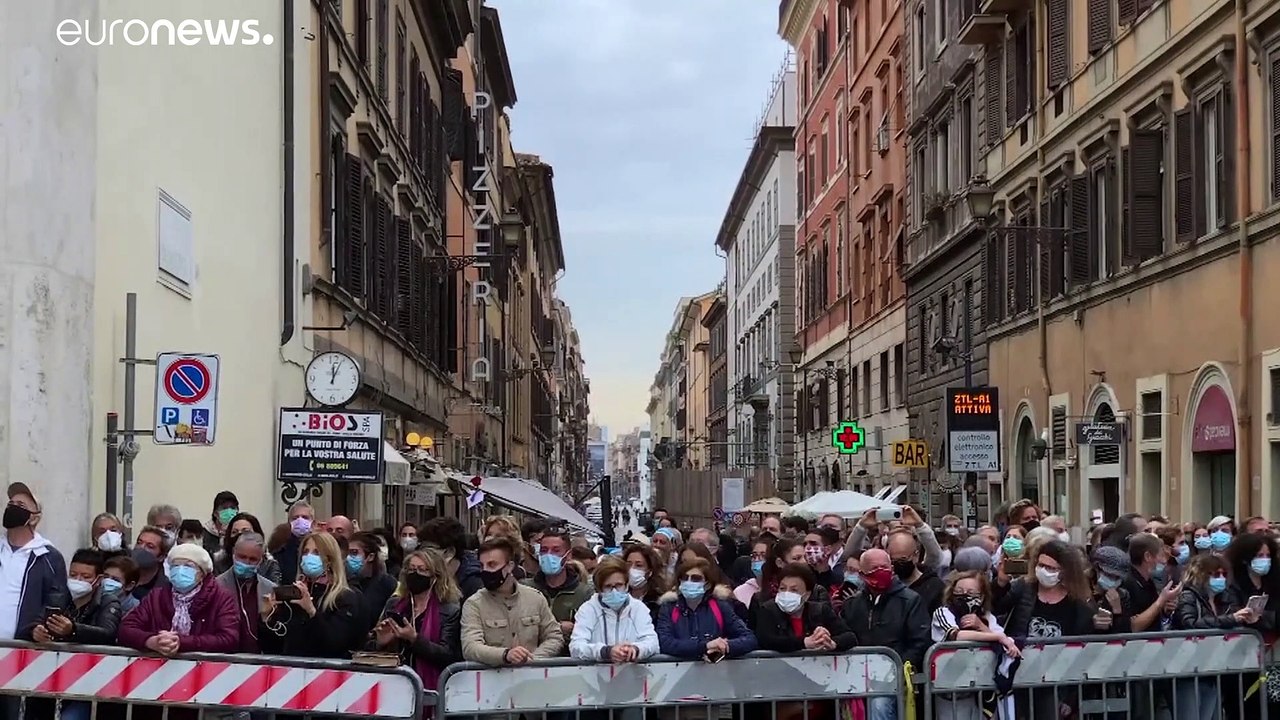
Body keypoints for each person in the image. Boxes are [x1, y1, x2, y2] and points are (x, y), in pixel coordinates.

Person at [839, 548, 930, 720]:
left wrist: (894, 669)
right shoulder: (852, 605)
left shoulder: (910, 600)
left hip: (892, 677)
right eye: (874, 568)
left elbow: (920, 641)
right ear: (862, 573)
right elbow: (844, 635)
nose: (881, 572)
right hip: (856, 676)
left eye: (884, 567)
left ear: (892, 569)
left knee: (879, 705)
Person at [117, 542, 240, 655]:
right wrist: (152, 641)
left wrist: (182, 642)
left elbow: (228, 638)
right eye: (175, 565)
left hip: (205, 672)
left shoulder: (221, 598)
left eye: (188, 566)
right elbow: (126, 629)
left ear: (202, 573)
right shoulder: (156, 597)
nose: (180, 570)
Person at [930, 570, 1018, 720]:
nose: (965, 596)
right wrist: (996, 637)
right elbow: (957, 636)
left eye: (971, 592)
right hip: (951, 691)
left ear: (982, 596)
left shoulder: (987, 617)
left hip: (982, 690)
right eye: (959, 592)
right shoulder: (943, 613)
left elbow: (1003, 638)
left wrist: (982, 627)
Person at [371, 548, 461, 695]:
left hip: (432, 689)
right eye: (411, 569)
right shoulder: (394, 605)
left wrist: (414, 639)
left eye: (422, 570)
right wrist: (380, 643)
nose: (415, 574)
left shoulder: (449, 610)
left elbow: (449, 655)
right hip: (394, 685)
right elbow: (369, 646)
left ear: (435, 576)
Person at [461, 536, 562, 665]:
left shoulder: (535, 598)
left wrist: (533, 659)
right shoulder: (474, 604)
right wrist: (505, 655)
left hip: (532, 677)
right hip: (493, 679)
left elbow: (554, 636)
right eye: (482, 566)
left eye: (492, 564)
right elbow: (470, 647)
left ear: (509, 566)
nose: (485, 570)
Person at [264, 531, 365, 658]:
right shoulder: (295, 594)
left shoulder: (345, 597)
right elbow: (276, 644)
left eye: (316, 553)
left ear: (330, 559)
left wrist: (312, 611)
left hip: (329, 671)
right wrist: (268, 617)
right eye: (305, 552)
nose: (308, 557)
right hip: (293, 670)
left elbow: (335, 643)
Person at [1, 483, 68, 645]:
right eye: (11, 504)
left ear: (33, 517)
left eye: (20, 505)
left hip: (22, 648)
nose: (12, 508)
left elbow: (55, 600)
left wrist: (38, 628)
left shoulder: (48, 556)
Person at [654, 557, 757, 660]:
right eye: (685, 578)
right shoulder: (668, 607)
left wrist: (724, 646)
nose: (689, 582)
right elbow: (664, 642)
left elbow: (749, 638)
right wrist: (704, 646)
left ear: (707, 584)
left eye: (696, 578)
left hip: (713, 672)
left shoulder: (720, 606)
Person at [569, 555, 661, 662]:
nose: (614, 591)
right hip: (596, 675)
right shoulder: (588, 610)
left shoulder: (638, 608)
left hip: (633, 674)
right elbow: (576, 647)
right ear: (599, 588)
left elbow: (653, 643)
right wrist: (606, 652)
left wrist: (635, 649)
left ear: (626, 585)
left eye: (619, 585)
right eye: (608, 586)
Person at [754, 562, 856, 653]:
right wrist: (804, 642)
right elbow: (767, 640)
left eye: (794, 590)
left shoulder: (820, 610)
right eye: (782, 588)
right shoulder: (768, 610)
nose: (786, 593)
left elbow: (850, 636)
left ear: (807, 595)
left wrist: (831, 642)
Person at [214, 532, 276, 653]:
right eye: (242, 557)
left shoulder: (270, 589)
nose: (246, 563)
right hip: (226, 659)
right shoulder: (217, 586)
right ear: (233, 553)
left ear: (261, 560)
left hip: (260, 658)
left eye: (253, 559)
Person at [419, 517, 484, 599]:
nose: (424, 557)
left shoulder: (474, 585)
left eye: (429, 551)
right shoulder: (429, 580)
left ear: (449, 553)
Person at [348, 531, 399, 632]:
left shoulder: (387, 584)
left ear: (370, 556)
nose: (349, 558)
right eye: (347, 553)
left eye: (354, 553)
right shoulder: (344, 582)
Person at [271, 501, 315, 583]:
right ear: (289, 523)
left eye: (305, 517)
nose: (300, 521)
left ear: (313, 523)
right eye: (295, 518)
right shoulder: (280, 552)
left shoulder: (321, 548)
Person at [622, 543, 667, 619]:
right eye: (628, 565)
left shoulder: (658, 602)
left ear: (649, 572)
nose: (632, 569)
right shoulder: (619, 597)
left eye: (638, 565)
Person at [129, 526, 172, 601]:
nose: (141, 547)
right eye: (139, 543)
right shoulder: (121, 575)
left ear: (161, 557)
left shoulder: (165, 589)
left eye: (150, 546)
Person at [201, 490, 240, 556]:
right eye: (224, 508)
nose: (229, 511)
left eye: (232, 508)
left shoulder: (239, 533)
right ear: (215, 513)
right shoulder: (203, 534)